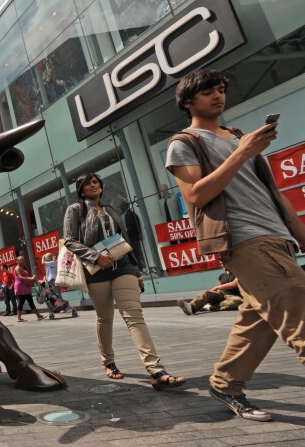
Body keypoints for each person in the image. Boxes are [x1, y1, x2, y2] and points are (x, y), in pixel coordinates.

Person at [166, 68, 305, 421]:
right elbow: (196, 195)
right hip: (243, 238)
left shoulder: (241, 137)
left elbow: (273, 193)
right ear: (187, 101)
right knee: (299, 313)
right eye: (208, 91)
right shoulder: (185, 143)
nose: (218, 95)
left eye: (221, 89)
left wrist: (300, 236)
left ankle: (225, 383)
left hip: (277, 236)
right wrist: (241, 153)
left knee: (257, 319)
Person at [63, 173, 186, 390]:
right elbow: (70, 240)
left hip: (124, 266)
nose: (93, 185)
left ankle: (155, 370)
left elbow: (126, 241)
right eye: (88, 183)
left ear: (101, 186)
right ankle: (108, 361)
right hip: (96, 270)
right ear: (81, 189)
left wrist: (137, 272)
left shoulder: (111, 209)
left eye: (95, 182)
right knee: (105, 317)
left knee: (134, 316)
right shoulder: (76, 210)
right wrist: (95, 257)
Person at [177, 265, 245, 315]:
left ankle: (209, 307)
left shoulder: (237, 272)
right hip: (222, 295)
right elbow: (220, 288)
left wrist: (217, 287)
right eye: (221, 263)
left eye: (224, 263)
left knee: (236, 301)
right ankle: (191, 307)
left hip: (235, 296)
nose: (222, 265)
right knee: (206, 293)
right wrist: (214, 293)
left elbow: (235, 283)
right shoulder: (221, 276)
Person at [13, 256, 44, 322]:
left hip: (22, 286)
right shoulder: (18, 268)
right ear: (17, 261)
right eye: (21, 260)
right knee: (30, 301)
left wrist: (32, 278)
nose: (22, 261)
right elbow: (20, 277)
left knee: (21, 302)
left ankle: (19, 318)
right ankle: (38, 316)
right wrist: (31, 278)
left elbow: (25, 276)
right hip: (21, 286)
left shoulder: (21, 268)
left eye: (23, 260)